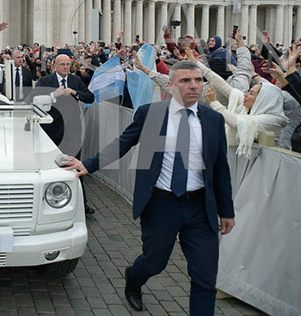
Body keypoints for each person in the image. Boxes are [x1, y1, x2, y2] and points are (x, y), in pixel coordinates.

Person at [63, 60, 235, 315]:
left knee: (205, 277)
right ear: (171, 85)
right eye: (186, 80)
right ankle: (134, 278)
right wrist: (89, 165)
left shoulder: (213, 120)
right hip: (161, 205)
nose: (194, 86)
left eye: (198, 80)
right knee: (155, 262)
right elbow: (123, 143)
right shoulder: (150, 114)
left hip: (200, 209)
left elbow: (220, 167)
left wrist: (227, 211)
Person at [35, 53, 95, 213]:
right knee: (51, 167)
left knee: (75, 166)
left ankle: (82, 204)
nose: (66, 67)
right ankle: (50, 201)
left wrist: (76, 93)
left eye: (68, 64)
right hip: (51, 132)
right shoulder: (45, 81)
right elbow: (33, 99)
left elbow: (90, 97)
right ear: (54, 66)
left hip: (72, 132)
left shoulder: (76, 80)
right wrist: (53, 95)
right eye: (62, 64)